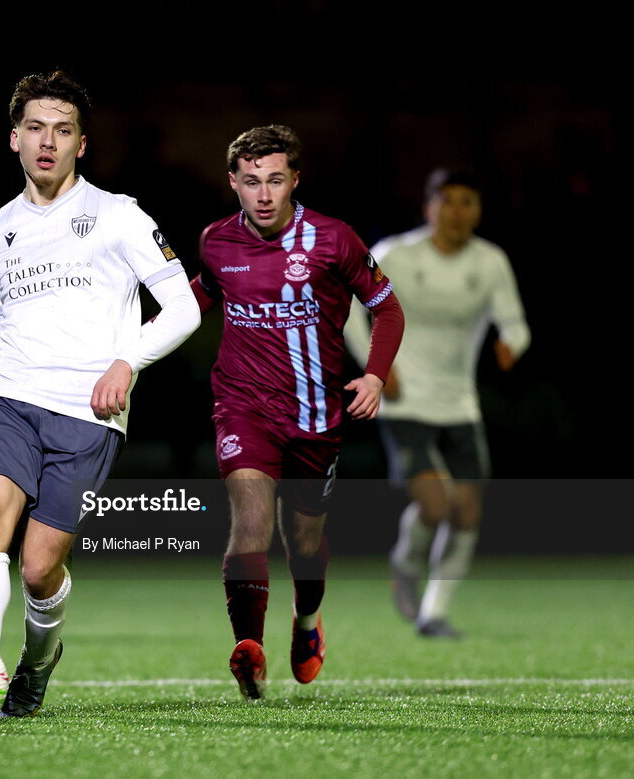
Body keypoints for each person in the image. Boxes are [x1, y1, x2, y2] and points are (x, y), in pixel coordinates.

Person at [0, 71, 200, 716]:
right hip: (8, 400)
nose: (48, 141)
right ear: (14, 139)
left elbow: (183, 309)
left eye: (62, 130)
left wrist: (128, 361)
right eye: (36, 128)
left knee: (40, 568)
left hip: (88, 412)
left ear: (82, 144)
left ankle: (38, 660)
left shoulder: (118, 216)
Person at [191, 125, 404, 699]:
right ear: (233, 182)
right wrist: (127, 346)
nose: (264, 194)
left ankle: (306, 621)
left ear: (295, 181)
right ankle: (250, 650)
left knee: (304, 543)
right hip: (242, 407)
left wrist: (376, 375)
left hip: (316, 415)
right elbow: (196, 300)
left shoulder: (335, 239)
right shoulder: (216, 241)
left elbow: (388, 311)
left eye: (275, 181)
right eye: (252, 182)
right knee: (251, 522)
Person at [345, 168, 530, 639]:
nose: (457, 211)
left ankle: (433, 612)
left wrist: (512, 343)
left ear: (479, 210)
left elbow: (516, 322)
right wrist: (378, 367)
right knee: (435, 502)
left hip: (460, 403)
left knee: (467, 512)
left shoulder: (490, 262)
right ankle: (406, 565)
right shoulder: (396, 255)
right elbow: (350, 310)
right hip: (405, 401)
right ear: (428, 207)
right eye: (447, 200)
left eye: (468, 201)